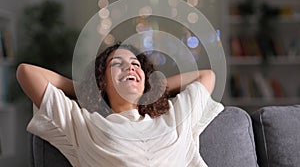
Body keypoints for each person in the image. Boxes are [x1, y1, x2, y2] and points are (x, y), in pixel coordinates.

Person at [16, 43, 224, 167]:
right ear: (102, 80)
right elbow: (26, 73)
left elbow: (206, 76)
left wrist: (155, 87)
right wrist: (86, 88)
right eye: (117, 64)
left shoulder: (175, 116)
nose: (130, 68)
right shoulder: (84, 124)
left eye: (136, 65)